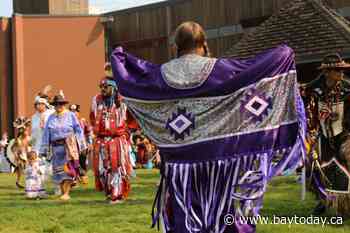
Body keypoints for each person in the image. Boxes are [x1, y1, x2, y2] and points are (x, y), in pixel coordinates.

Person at [111, 21, 306, 233]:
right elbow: (255, 70)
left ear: (175, 46)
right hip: (222, 166)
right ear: (204, 43)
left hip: (181, 169)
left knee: (184, 221)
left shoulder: (160, 75)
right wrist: (284, 54)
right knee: (226, 218)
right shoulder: (222, 70)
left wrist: (119, 56)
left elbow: (133, 78)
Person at [303, 53, 350, 217]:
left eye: (342, 70)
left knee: (345, 167)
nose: (341, 73)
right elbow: (302, 100)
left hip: (344, 134)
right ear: (327, 72)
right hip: (323, 135)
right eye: (338, 70)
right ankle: (323, 201)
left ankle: (344, 206)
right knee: (321, 168)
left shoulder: (347, 87)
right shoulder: (314, 87)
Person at [90, 65, 134, 204]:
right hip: (102, 140)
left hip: (117, 140)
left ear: (113, 88)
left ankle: (117, 193)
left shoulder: (122, 102)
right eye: (101, 87)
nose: (102, 90)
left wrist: (127, 133)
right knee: (103, 168)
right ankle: (109, 191)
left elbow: (132, 119)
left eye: (105, 87)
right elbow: (92, 118)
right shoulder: (97, 102)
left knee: (116, 167)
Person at [40, 94, 87, 201]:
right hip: (56, 149)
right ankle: (63, 193)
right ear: (54, 105)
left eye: (61, 104)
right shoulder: (51, 117)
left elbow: (78, 130)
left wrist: (82, 144)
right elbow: (46, 133)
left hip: (69, 147)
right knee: (58, 172)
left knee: (68, 170)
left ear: (64, 105)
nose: (59, 106)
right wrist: (44, 148)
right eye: (56, 104)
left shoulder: (71, 115)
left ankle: (66, 193)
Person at [69, 104, 93, 184]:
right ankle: (74, 178)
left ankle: (83, 176)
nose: (74, 113)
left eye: (75, 111)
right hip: (72, 145)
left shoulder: (83, 121)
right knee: (73, 161)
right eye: (72, 111)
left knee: (82, 161)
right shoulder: (67, 123)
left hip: (82, 145)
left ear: (78, 112)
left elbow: (88, 132)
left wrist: (89, 143)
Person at [7, 117, 32, 188]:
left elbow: (29, 146)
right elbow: (13, 148)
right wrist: (16, 155)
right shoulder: (18, 139)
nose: (27, 132)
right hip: (20, 155)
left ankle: (24, 182)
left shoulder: (28, 138)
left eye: (27, 130)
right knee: (21, 168)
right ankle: (18, 182)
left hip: (27, 154)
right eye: (25, 131)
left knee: (27, 168)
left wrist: (29, 153)